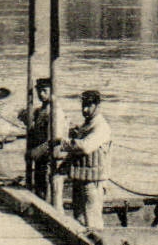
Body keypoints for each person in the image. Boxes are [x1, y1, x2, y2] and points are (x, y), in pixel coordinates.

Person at [63, 90, 113, 227]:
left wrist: (64, 143)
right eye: (83, 105)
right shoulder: (86, 124)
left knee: (93, 221)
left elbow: (85, 147)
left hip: (93, 181)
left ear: (98, 106)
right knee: (79, 218)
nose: (84, 109)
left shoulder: (101, 126)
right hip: (80, 178)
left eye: (89, 106)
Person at [22, 78, 62, 198]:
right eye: (39, 91)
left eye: (44, 91)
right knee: (39, 185)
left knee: (46, 187)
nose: (41, 94)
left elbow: (56, 138)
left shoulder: (55, 111)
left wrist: (36, 151)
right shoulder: (42, 109)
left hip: (48, 155)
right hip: (40, 155)